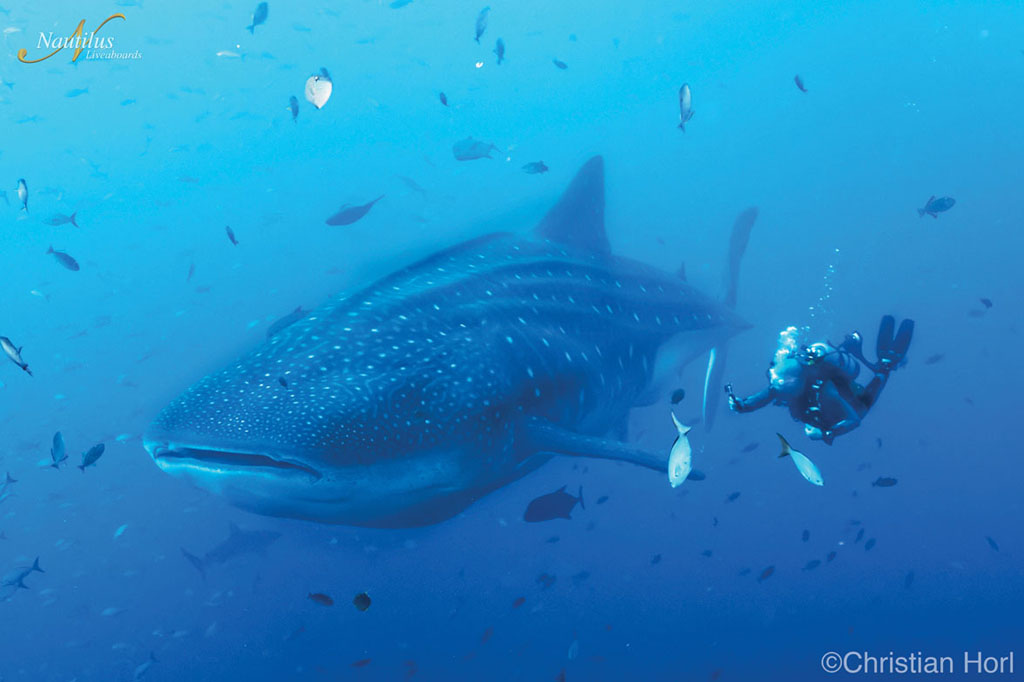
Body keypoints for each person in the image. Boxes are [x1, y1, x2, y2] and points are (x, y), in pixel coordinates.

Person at [725, 315, 914, 444]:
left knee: (869, 396)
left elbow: (854, 420)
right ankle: (867, 357)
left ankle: (885, 366)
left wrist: (826, 433)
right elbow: (765, 396)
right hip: (822, 411)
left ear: (794, 383)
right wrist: (743, 406)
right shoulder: (781, 385)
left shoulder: (826, 392)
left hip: (853, 405)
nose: (775, 390)